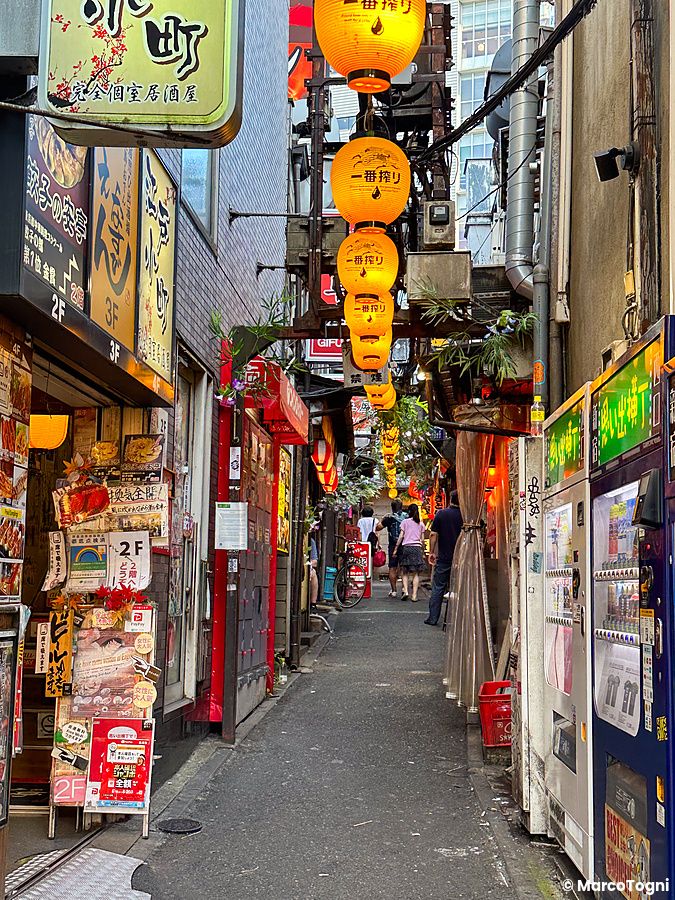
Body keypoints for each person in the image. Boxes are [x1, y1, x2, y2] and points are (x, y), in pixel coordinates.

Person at [425, 490, 463, 626]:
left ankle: (433, 618)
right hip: (463, 558)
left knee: (438, 587)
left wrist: (431, 552)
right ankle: (460, 619)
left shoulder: (441, 514)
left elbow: (433, 534)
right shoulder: (466, 516)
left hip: (445, 558)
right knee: (461, 587)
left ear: (450, 499)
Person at [393, 503, 426, 602]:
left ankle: (406, 591)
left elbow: (401, 536)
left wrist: (396, 548)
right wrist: (423, 550)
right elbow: (422, 540)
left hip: (406, 548)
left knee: (405, 572)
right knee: (416, 574)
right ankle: (414, 596)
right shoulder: (421, 523)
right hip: (416, 548)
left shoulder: (405, 522)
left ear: (409, 512)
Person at [377, 499, 407, 597]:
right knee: (403, 568)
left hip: (393, 545)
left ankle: (394, 591)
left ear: (392, 507)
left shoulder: (389, 517)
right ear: (401, 507)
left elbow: (378, 528)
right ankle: (404, 589)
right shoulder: (407, 517)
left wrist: (383, 519)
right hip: (405, 544)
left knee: (392, 568)